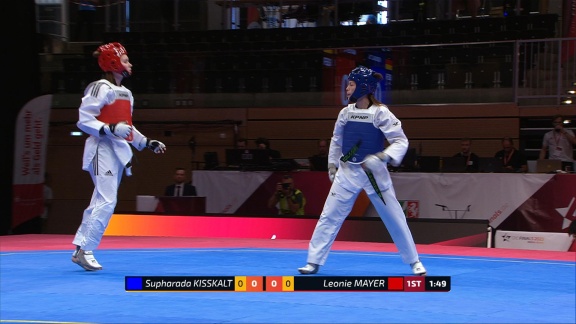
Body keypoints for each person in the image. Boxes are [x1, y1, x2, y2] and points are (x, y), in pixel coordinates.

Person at [298, 66, 426, 276]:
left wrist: (383, 156)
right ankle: (313, 261)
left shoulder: (381, 113)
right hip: (347, 172)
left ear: (364, 87)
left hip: (374, 173)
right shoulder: (345, 113)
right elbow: (337, 140)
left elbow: (400, 140)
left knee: (394, 217)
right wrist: (332, 164)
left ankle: (414, 261)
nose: (347, 88)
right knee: (329, 216)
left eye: (351, 84)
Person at [72, 42, 166, 271]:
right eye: (125, 60)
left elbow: (128, 128)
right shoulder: (99, 87)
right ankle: (85, 250)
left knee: (99, 200)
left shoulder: (126, 94)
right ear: (112, 63)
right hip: (100, 148)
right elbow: (84, 120)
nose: (129, 64)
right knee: (107, 200)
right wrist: (110, 129)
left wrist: (146, 143)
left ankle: (80, 248)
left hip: (117, 151)